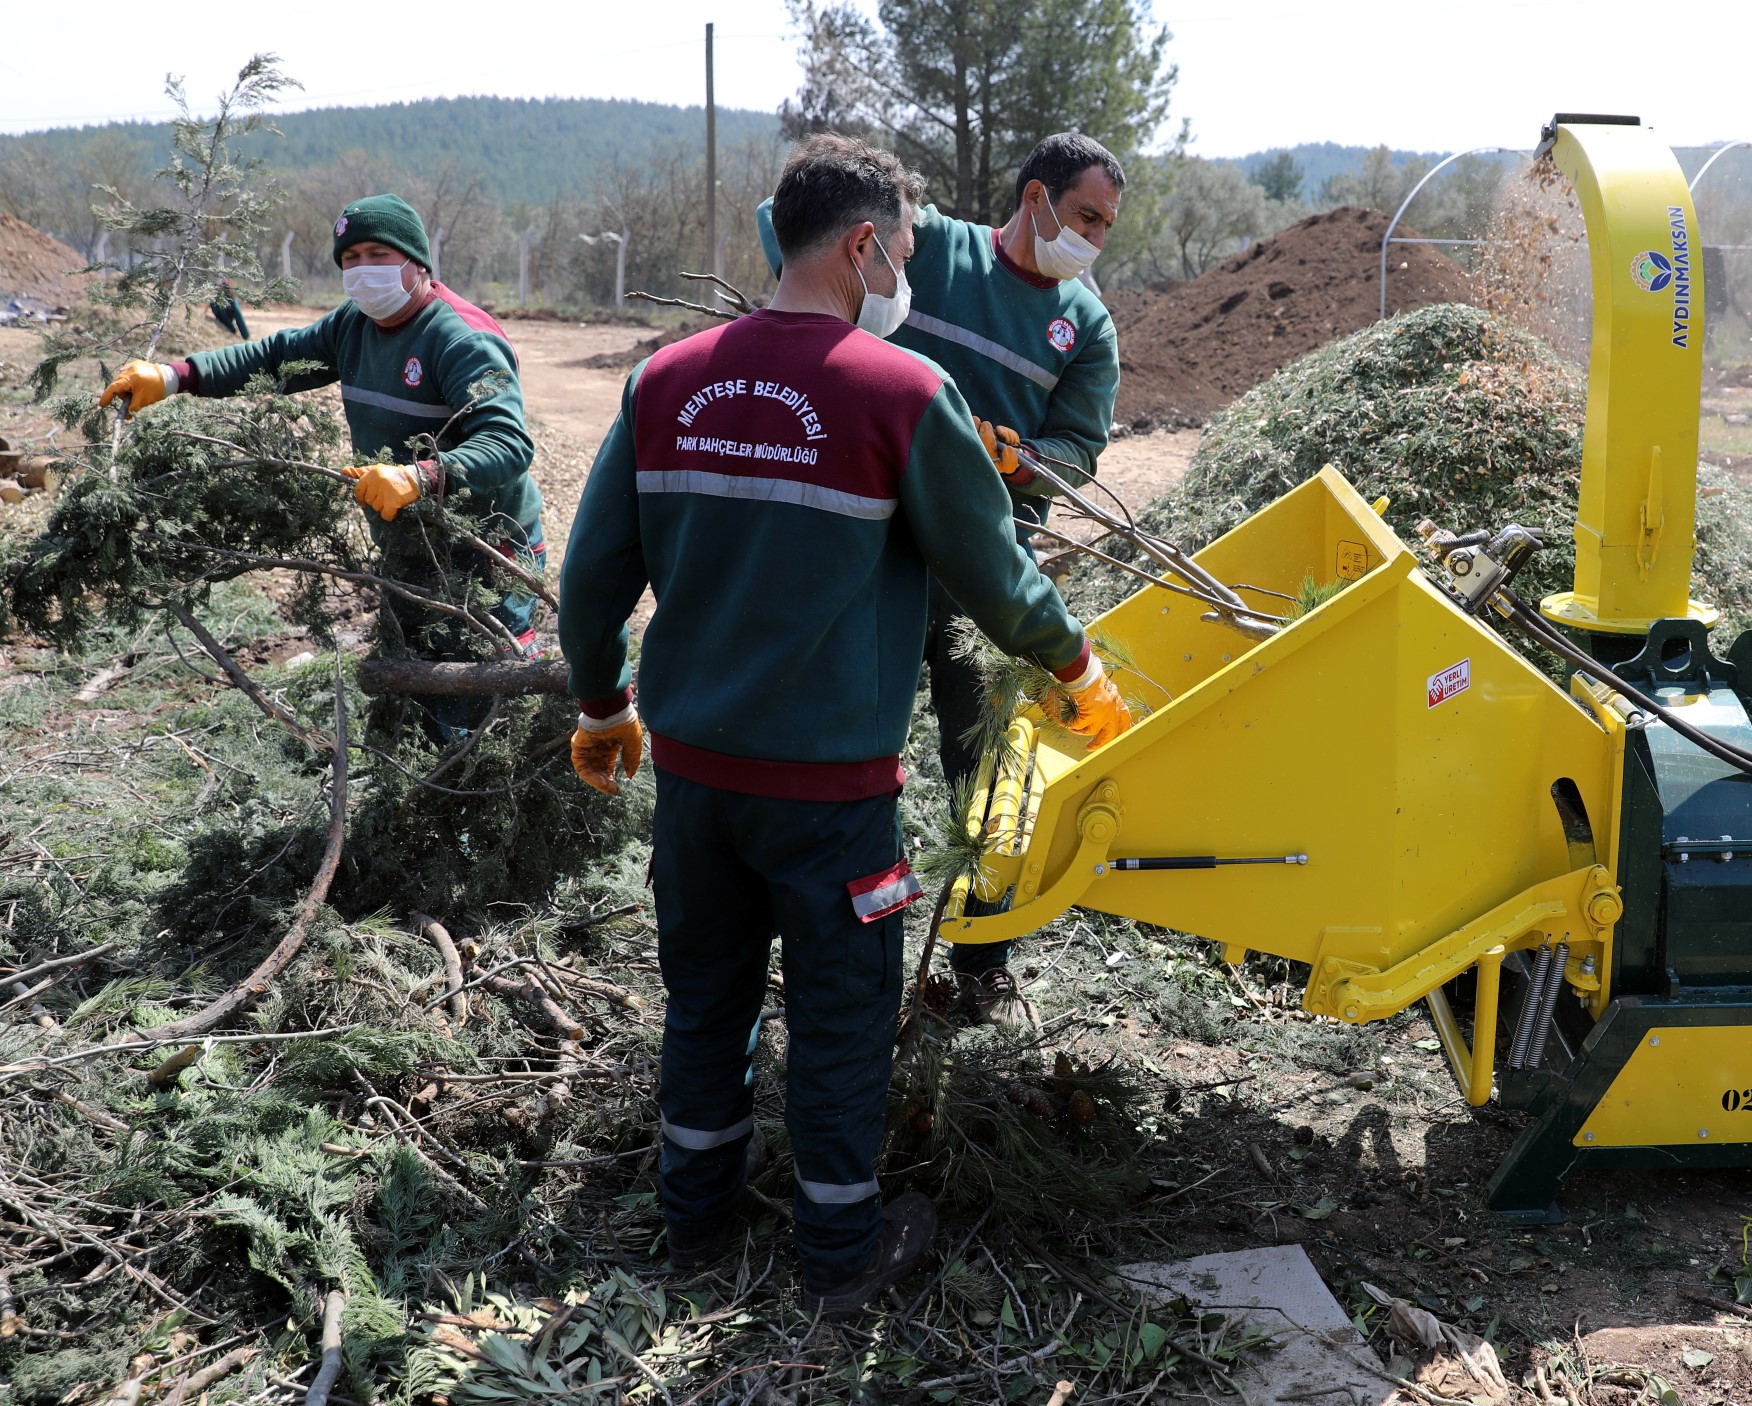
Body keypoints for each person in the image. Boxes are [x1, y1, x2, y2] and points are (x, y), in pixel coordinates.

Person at [559, 134, 1133, 1313]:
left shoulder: (665, 381)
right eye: (906, 250)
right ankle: (837, 1255)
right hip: (829, 803)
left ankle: (695, 1220)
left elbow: (590, 579)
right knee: (838, 1020)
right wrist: (1078, 666)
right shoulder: (904, 392)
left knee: (707, 1001)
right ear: (863, 245)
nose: (909, 273)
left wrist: (603, 702)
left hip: (698, 788)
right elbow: (994, 576)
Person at [760, 132, 1124, 1023]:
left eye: (1107, 227)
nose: (1093, 239)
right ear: (1035, 198)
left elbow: (1080, 454)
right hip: (876, 549)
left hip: (983, 574)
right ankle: (835, 926)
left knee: (988, 764)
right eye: (1084, 216)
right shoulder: (940, 249)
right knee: (853, 742)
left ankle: (982, 953)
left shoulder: (1088, 324)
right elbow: (790, 225)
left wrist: (1025, 458)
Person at [100, 195, 542, 736]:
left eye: (378, 253)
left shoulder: (459, 339)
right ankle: (424, 796)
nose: (361, 270)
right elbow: (277, 357)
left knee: (485, 691)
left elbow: (508, 443)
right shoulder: (353, 325)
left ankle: (484, 802)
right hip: (410, 541)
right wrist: (175, 376)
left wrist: (420, 476)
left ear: (417, 262)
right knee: (418, 682)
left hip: (485, 552)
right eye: (350, 258)